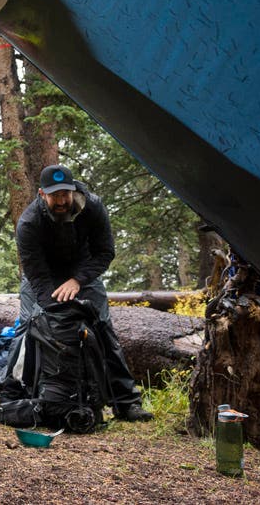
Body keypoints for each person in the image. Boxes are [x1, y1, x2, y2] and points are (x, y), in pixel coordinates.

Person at [15, 164, 153, 422]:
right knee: (29, 327)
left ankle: (126, 402)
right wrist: (57, 308)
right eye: (54, 195)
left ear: (73, 189)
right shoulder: (29, 222)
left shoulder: (92, 207)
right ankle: (15, 395)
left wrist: (77, 280)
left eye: (65, 193)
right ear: (42, 194)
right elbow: (36, 274)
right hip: (42, 277)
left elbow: (105, 252)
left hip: (83, 273)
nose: (61, 200)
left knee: (102, 329)